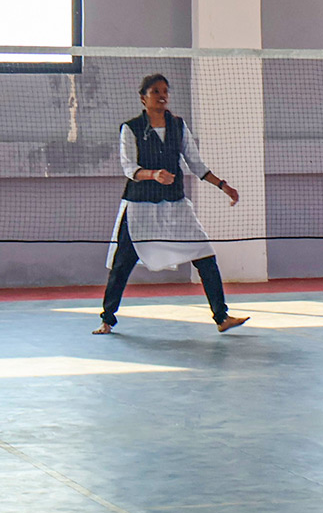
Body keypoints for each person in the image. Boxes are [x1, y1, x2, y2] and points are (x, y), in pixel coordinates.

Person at [93, 74, 249, 335]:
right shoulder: (130, 128)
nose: (162, 96)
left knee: (205, 256)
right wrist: (153, 174)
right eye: (155, 91)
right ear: (143, 98)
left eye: (165, 91)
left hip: (176, 205)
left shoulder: (178, 125)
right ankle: (107, 319)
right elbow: (129, 167)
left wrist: (223, 186)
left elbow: (195, 163)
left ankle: (222, 317)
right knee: (122, 263)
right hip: (140, 207)